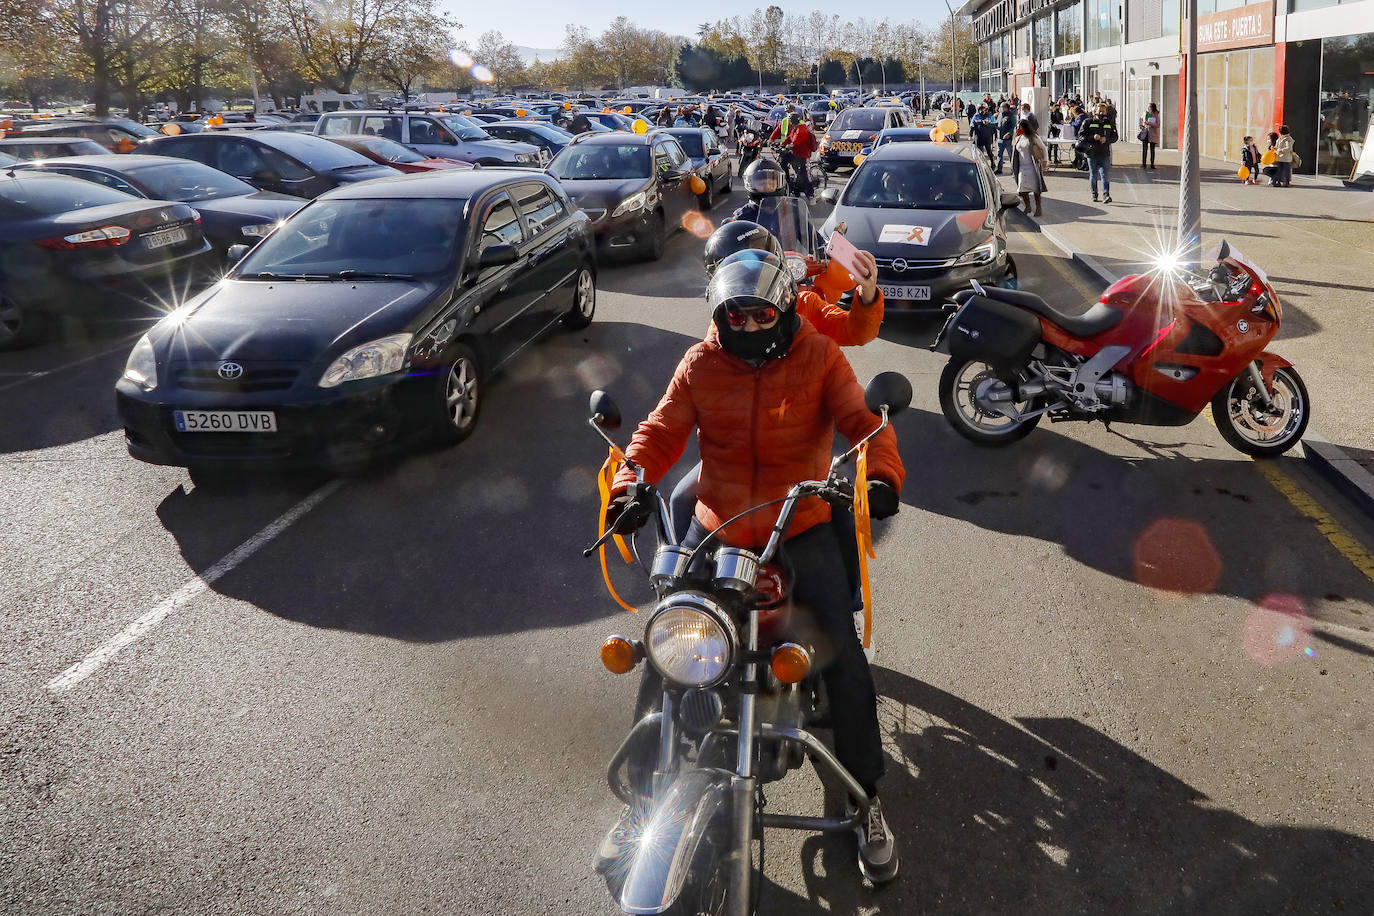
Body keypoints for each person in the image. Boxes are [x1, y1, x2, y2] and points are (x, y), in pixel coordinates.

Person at [609, 252, 905, 883]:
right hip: (717, 523)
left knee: (842, 658)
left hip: (797, 524)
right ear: (719, 313)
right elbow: (660, 431)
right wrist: (631, 483)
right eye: (732, 315)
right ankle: (642, 802)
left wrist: (879, 474)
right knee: (667, 640)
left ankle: (866, 799)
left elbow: (860, 422)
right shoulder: (702, 362)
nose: (745, 325)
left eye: (758, 313)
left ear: (785, 308)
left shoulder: (820, 356)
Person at [1081, 101, 1118, 203]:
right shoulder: (1088, 122)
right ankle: (1094, 194)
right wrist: (1092, 137)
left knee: (1105, 175)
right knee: (1093, 174)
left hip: (1104, 153)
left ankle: (1106, 195)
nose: (1101, 113)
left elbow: (1115, 137)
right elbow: (1081, 136)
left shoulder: (1109, 123)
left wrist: (1107, 140)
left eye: (1103, 111)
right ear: (1095, 111)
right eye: (1100, 111)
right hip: (1091, 153)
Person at [1013, 119, 1048, 217]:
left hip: (1032, 167)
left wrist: (1045, 161)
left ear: (1025, 127)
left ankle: (1038, 208)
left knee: (1036, 189)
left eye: (1020, 127)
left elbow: (1044, 149)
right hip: (1021, 168)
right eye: (1017, 127)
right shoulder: (1018, 138)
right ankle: (1028, 206)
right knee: (1022, 188)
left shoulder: (1033, 137)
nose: (1018, 129)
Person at [996, 103, 1016, 175]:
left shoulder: (1011, 116)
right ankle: (999, 169)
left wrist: (1009, 133)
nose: (1000, 108)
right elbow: (998, 125)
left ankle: (1014, 170)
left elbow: (1014, 126)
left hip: (1008, 139)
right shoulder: (1000, 115)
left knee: (1011, 155)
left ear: (1006, 108)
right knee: (999, 154)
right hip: (1000, 138)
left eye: (1001, 107)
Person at [1139, 102, 1160, 169]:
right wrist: (1141, 125)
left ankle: (1152, 164)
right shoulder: (1145, 113)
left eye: (1150, 107)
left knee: (1152, 149)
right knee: (1144, 149)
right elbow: (1141, 119)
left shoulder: (1156, 114)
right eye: (1148, 107)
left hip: (1153, 134)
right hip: (1145, 132)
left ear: (1153, 108)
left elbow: (1158, 124)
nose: (1149, 108)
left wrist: (1150, 123)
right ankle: (1143, 164)